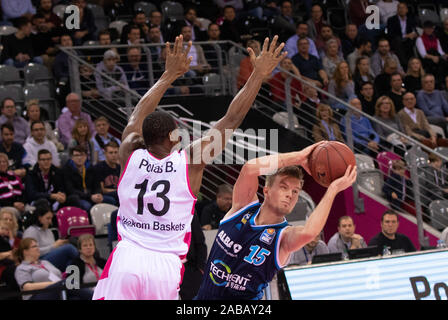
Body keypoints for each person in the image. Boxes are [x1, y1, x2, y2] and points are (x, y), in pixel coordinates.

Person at [92, 35, 288, 300]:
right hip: (165, 265)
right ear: (174, 137)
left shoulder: (129, 152)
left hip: (127, 258)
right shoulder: (190, 161)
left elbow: (137, 116)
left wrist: (167, 75)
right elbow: (232, 118)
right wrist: (257, 76)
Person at [195, 143, 357, 299]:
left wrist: (333, 190)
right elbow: (250, 168)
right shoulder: (242, 208)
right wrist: (299, 157)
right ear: (266, 190)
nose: (290, 195)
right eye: (283, 187)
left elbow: (309, 232)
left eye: (295, 191)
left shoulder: (283, 237)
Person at [14, 237, 92, 300]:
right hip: (36, 296)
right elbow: (27, 287)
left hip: (57, 290)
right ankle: (97, 297)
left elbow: (60, 277)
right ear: (25, 251)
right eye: (34, 246)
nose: (38, 248)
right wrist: (54, 284)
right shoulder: (22, 268)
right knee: (66, 283)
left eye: (38, 246)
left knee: (75, 298)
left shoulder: (45, 262)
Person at [22, 202, 78, 272]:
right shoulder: (31, 231)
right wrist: (54, 246)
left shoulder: (49, 231)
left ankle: (70, 280)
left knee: (71, 261)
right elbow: (30, 252)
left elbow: (53, 249)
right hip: (38, 260)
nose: (50, 222)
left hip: (49, 258)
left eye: (51, 219)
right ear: (39, 218)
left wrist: (59, 245)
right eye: (47, 218)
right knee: (69, 248)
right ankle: (87, 262)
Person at [62, 146, 103, 213]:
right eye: (76, 155)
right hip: (78, 197)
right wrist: (90, 197)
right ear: (72, 157)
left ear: (86, 156)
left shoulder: (91, 168)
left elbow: (97, 185)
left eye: (82, 155)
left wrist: (98, 194)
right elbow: (70, 190)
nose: (79, 158)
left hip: (91, 195)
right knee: (87, 206)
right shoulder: (66, 170)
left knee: (110, 200)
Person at [179, 213, 207, 300]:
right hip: (164, 267)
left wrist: (200, 268)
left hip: (189, 267)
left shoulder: (189, 210)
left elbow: (200, 241)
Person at [386, 1, 418, 69]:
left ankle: (415, 62)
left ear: (407, 10)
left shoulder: (411, 19)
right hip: (397, 40)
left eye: (403, 8)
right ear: (397, 10)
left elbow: (415, 30)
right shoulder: (391, 20)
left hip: (408, 41)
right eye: (399, 8)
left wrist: (414, 34)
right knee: (398, 41)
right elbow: (390, 34)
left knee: (414, 40)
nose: (401, 10)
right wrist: (405, 36)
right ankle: (405, 64)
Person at [92, 141, 120, 206]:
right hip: (103, 195)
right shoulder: (99, 167)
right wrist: (118, 191)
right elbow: (102, 190)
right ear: (105, 153)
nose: (114, 155)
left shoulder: (120, 168)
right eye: (111, 153)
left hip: (117, 193)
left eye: (116, 152)